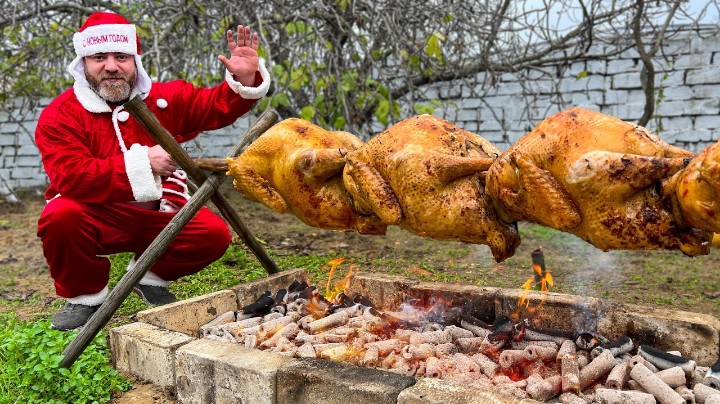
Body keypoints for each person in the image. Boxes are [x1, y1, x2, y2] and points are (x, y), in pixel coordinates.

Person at [35, 11, 270, 331]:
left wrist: (243, 80)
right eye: (99, 57)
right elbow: (71, 175)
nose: (111, 66)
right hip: (95, 219)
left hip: (160, 212)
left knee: (213, 235)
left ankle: (149, 277)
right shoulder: (60, 115)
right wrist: (144, 162)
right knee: (59, 216)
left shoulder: (164, 98)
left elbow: (212, 106)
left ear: (135, 60)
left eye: (121, 56)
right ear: (83, 63)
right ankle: (85, 296)